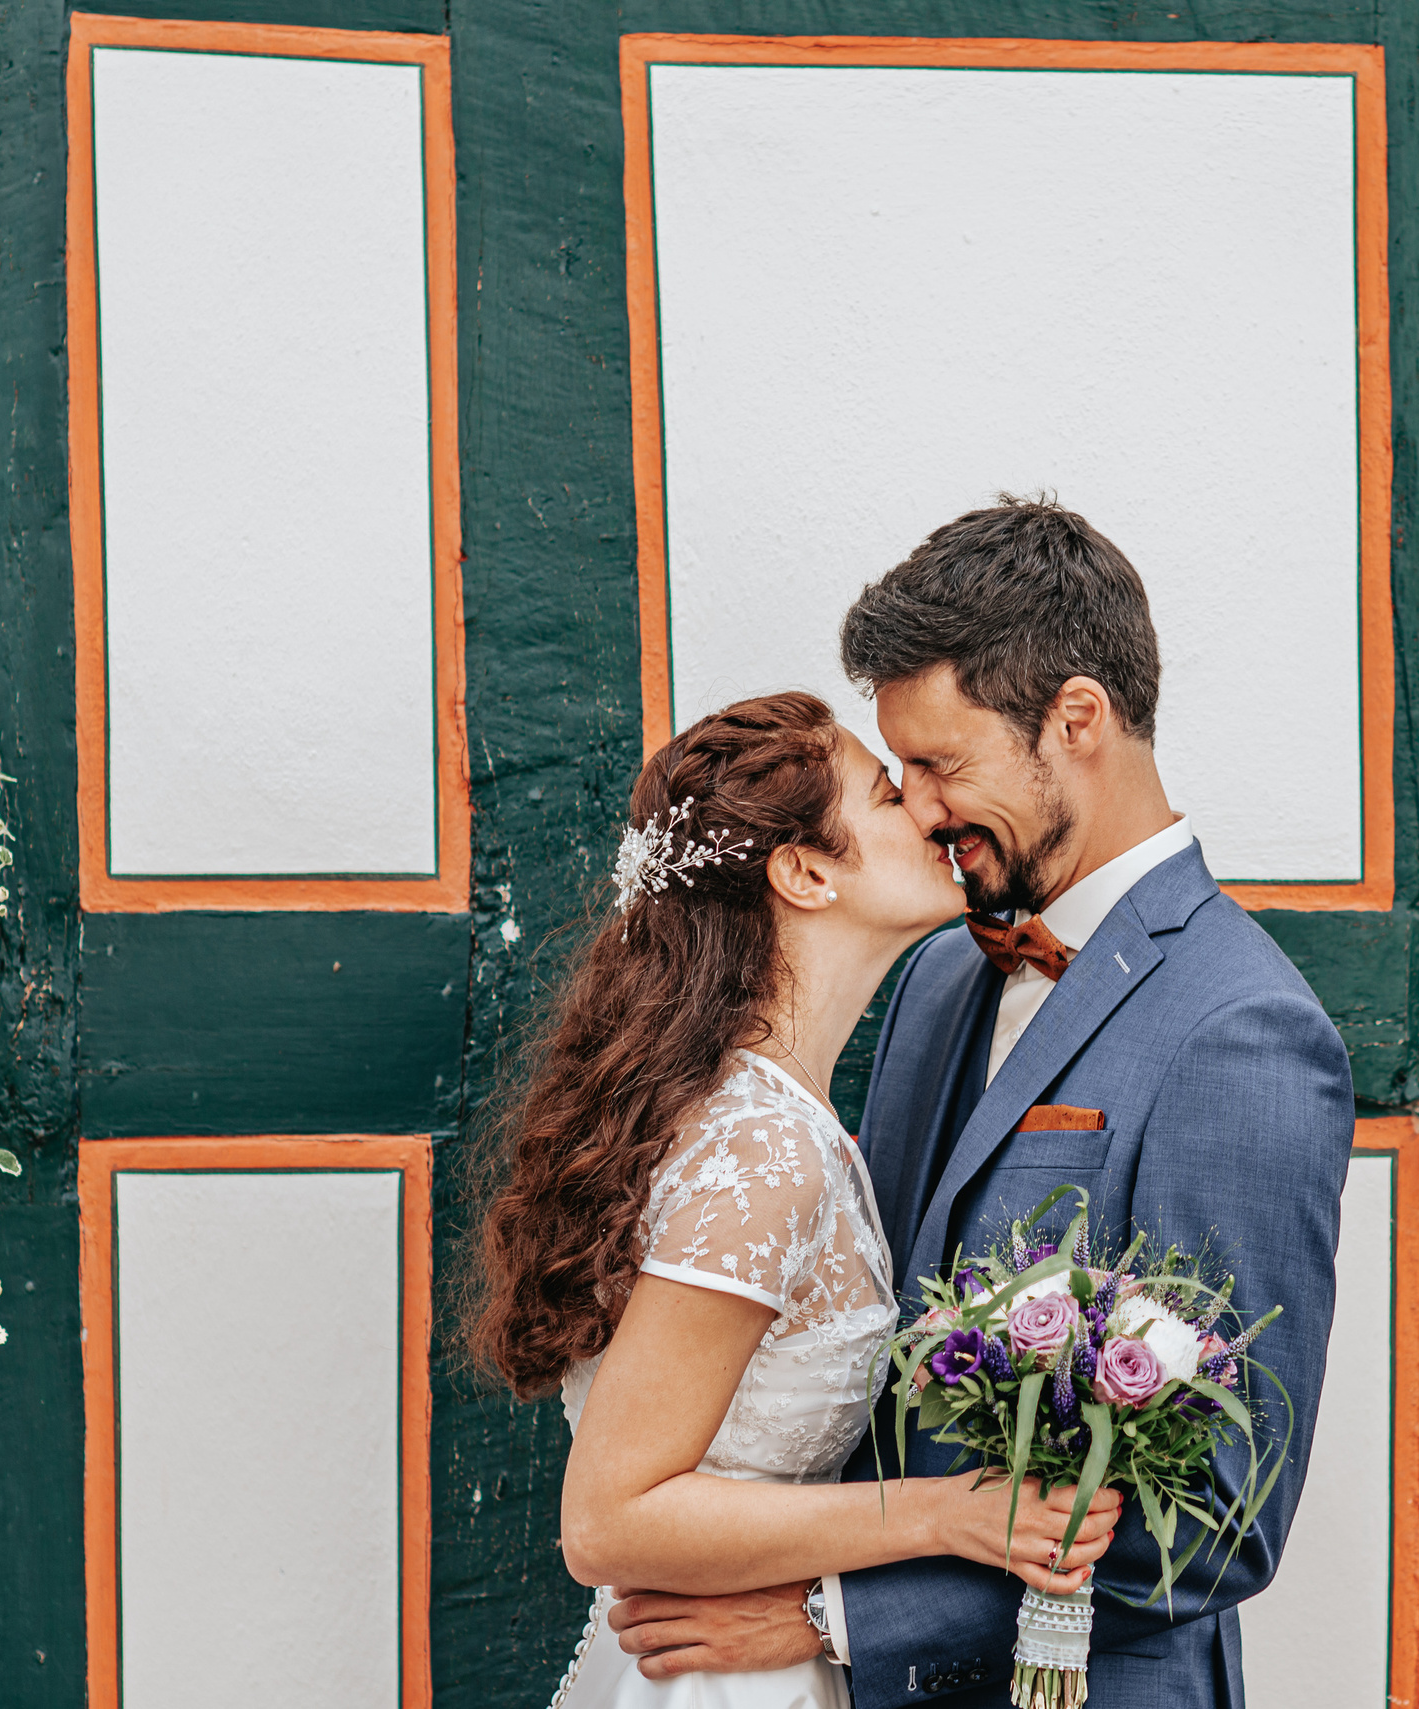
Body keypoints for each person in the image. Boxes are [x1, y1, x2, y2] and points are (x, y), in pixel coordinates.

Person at [603, 497, 1356, 1709]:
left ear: (1076, 721)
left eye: (941, 763)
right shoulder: (943, 967)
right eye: (898, 768)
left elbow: (1218, 1515)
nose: (920, 804)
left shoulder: (1243, 1033)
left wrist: (825, 1616)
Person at [467, 690, 1125, 1709]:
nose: (925, 807)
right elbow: (607, 1518)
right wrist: (950, 1512)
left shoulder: (775, 1116)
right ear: (807, 871)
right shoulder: (764, 1145)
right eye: (883, 791)